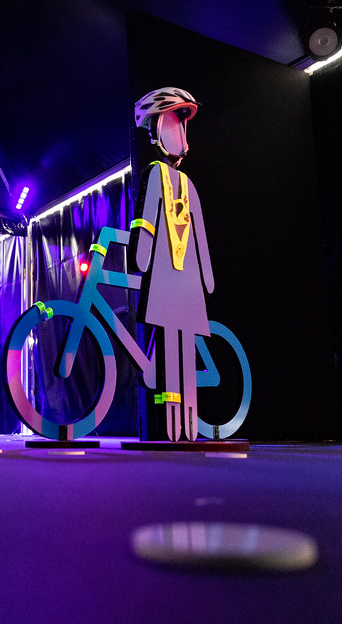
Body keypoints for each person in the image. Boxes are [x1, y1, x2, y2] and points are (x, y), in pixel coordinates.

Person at [130, 87, 213, 442]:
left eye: (182, 127)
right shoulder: (154, 175)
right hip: (165, 274)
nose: (180, 135)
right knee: (168, 348)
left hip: (187, 278)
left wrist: (207, 273)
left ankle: (189, 421)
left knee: (185, 347)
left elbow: (199, 230)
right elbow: (147, 218)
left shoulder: (188, 184)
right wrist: (141, 253)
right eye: (172, 126)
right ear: (156, 132)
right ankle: (171, 420)